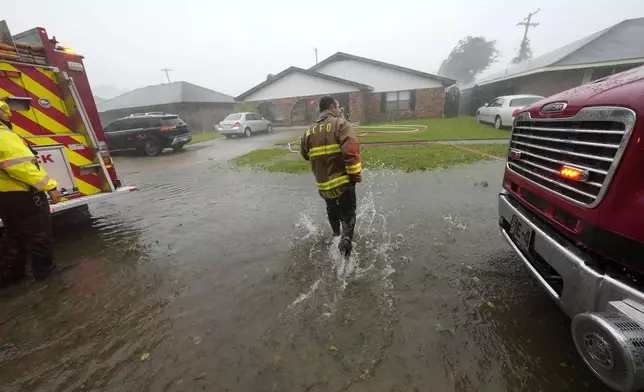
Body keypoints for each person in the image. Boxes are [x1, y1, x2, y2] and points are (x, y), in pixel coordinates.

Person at [0, 100, 62, 288]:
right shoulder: (3, 135)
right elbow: (21, 166)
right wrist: (50, 186)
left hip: (6, 196)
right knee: (39, 235)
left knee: (15, 236)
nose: (8, 115)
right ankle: (47, 277)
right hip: (22, 195)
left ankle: (10, 278)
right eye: (4, 111)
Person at [300, 96, 362, 257]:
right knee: (348, 214)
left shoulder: (308, 131)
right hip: (342, 182)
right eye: (339, 107)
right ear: (332, 107)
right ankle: (346, 244)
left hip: (324, 185)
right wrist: (354, 176)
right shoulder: (341, 124)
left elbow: (305, 155)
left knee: (331, 209)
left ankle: (336, 236)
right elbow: (351, 151)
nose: (340, 110)